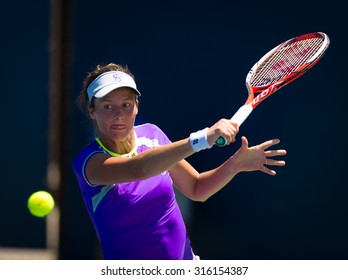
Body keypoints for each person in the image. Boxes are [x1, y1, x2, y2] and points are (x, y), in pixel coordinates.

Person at [73, 63, 287, 260]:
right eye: (108, 107)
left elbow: (197, 188)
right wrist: (202, 139)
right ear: (92, 110)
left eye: (126, 105)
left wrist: (235, 165)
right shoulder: (90, 163)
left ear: (137, 106)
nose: (119, 115)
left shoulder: (153, 135)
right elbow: (139, 168)